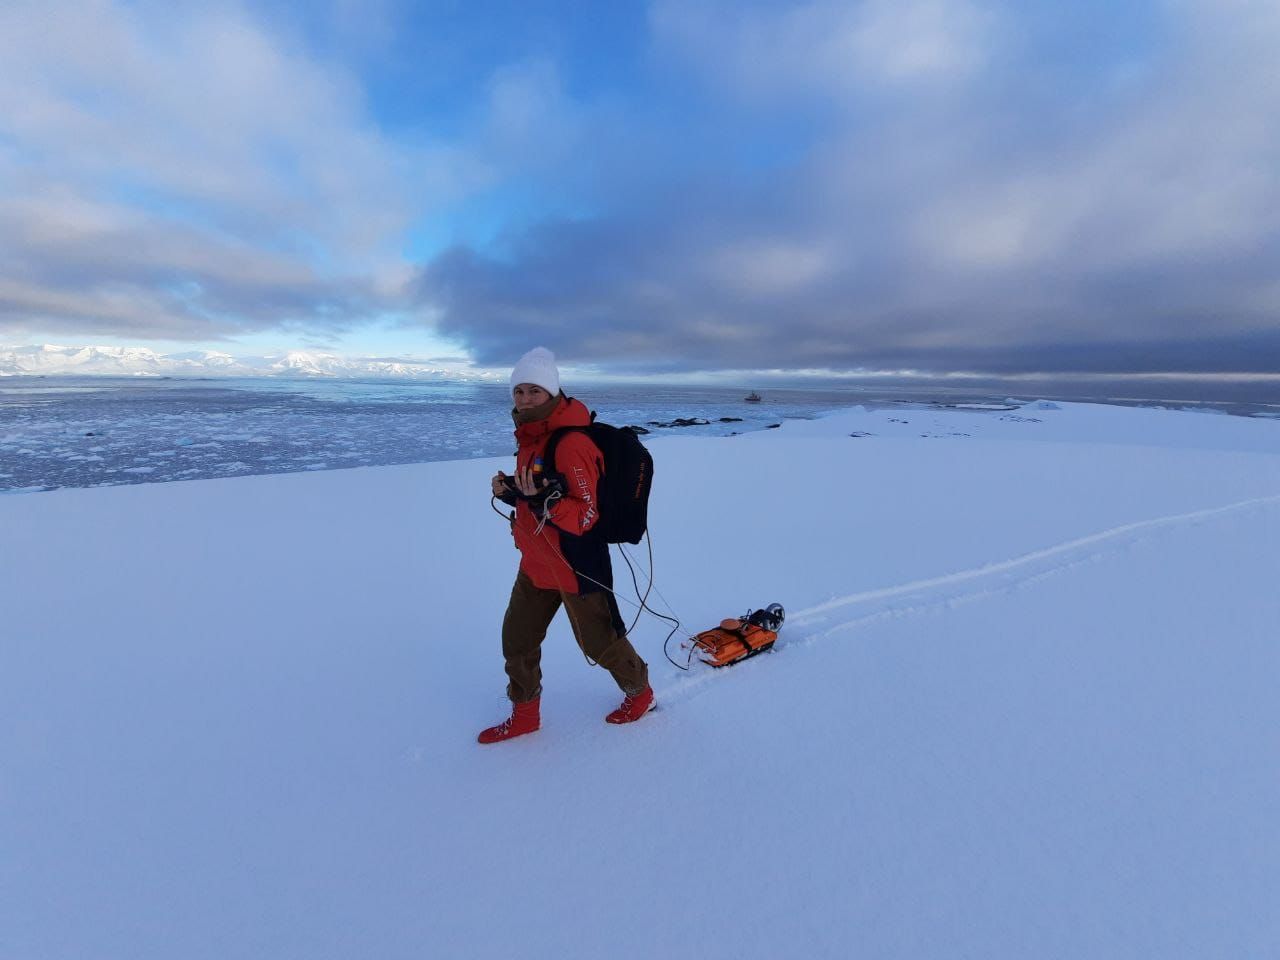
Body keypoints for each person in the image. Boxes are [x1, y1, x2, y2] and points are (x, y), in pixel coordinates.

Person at [478, 347, 654, 744]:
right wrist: (513, 493)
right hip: (537, 561)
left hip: (576, 563)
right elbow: (540, 493)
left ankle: (640, 694)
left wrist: (540, 500)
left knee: (599, 642)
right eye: (519, 391)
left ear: (553, 393)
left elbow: (585, 515)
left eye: (534, 391)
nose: (524, 399)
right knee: (517, 641)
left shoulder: (571, 442)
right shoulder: (531, 436)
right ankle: (524, 715)